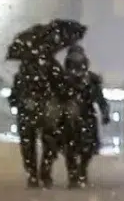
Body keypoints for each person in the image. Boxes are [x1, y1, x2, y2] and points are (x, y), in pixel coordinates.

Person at [8, 23, 75, 188]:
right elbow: (63, 88)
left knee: (28, 142)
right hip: (46, 110)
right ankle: (44, 172)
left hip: (31, 110)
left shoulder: (25, 69)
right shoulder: (52, 66)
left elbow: (16, 92)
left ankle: (34, 173)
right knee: (49, 141)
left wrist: (19, 101)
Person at [63, 45, 111, 188]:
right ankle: (73, 174)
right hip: (68, 117)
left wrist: (105, 112)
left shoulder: (91, 79)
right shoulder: (62, 80)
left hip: (86, 115)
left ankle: (82, 170)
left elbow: (100, 99)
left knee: (87, 149)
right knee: (70, 149)